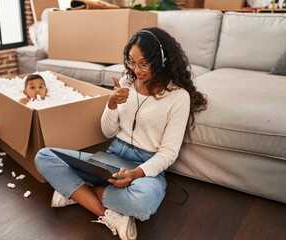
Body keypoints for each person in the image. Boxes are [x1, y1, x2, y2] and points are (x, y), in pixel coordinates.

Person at [34, 27, 207, 240]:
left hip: (145, 167)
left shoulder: (178, 97)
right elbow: (107, 132)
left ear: (162, 60)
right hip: (112, 156)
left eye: (144, 63)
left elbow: (169, 153)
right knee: (44, 156)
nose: (137, 70)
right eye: (132, 63)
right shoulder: (125, 84)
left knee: (143, 201)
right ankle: (108, 214)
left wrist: (134, 174)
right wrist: (112, 103)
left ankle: (77, 192)